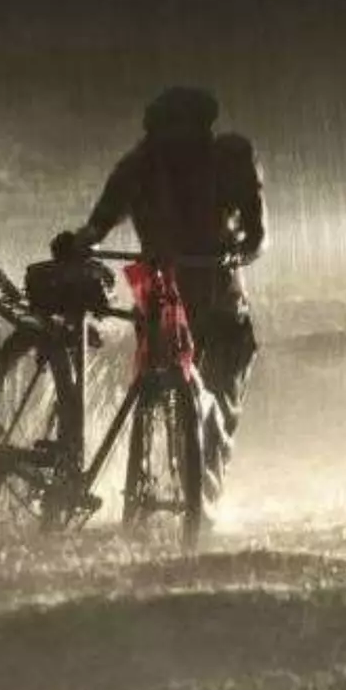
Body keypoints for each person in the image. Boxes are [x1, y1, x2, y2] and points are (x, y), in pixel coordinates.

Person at [61, 86, 265, 486]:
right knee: (168, 401)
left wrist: (238, 251)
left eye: (186, 136)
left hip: (222, 309)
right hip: (164, 306)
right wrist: (80, 242)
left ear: (205, 132)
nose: (176, 148)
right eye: (166, 138)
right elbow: (98, 225)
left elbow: (258, 236)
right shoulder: (138, 167)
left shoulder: (232, 160)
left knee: (218, 423)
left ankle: (198, 491)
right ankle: (175, 486)